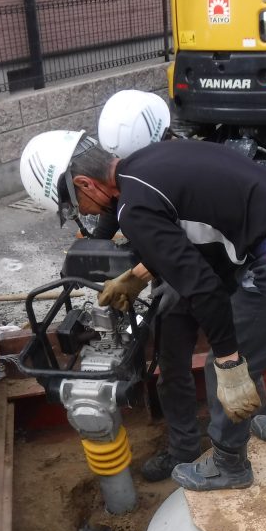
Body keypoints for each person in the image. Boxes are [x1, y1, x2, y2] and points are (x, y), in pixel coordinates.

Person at [19, 131, 266, 491]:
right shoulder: (149, 162)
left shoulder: (133, 207)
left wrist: (229, 359)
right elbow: (184, 229)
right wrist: (135, 275)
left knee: (225, 365)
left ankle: (229, 464)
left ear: (85, 182)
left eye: (75, 206)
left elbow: (203, 287)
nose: (82, 214)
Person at [87, 91, 205, 482]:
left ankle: (240, 440)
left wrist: (139, 274)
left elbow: (188, 248)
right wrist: (91, 248)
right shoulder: (129, 171)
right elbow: (112, 211)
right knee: (171, 365)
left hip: (203, 269)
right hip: (162, 272)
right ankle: (185, 447)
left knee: (234, 360)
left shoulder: (193, 167)